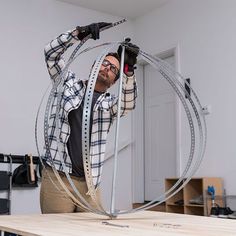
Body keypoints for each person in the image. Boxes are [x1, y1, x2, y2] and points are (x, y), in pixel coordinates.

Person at [40, 22, 139, 213]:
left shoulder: (109, 104)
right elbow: (50, 54)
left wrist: (129, 70)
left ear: (114, 81)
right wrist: (77, 33)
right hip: (59, 178)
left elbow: (128, 104)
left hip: (90, 186)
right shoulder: (67, 83)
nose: (107, 69)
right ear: (94, 65)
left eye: (113, 69)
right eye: (105, 63)